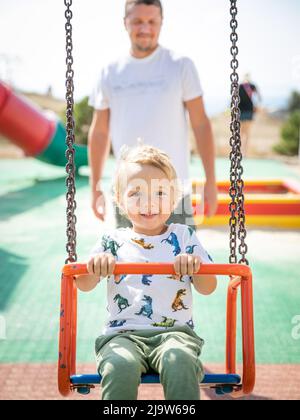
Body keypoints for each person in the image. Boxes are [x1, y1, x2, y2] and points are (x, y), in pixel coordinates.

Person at [75, 144, 217, 400]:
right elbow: (82, 284)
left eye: (160, 192)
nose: (148, 202)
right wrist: (96, 267)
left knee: (180, 362)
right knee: (120, 365)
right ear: (119, 199)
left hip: (175, 334)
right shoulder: (112, 240)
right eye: (136, 193)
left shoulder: (184, 237)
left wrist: (195, 266)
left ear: (174, 199)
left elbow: (209, 287)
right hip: (122, 335)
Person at [88, 0, 218, 230]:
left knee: (183, 262)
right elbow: (99, 132)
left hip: (173, 190)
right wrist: (95, 187)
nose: (145, 28)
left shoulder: (180, 66)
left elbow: (200, 124)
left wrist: (211, 181)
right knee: (128, 263)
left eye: (152, 21)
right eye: (138, 21)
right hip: (129, 191)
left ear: (161, 23)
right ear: (125, 23)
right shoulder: (109, 72)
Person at [238, 74, 262, 157]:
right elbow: (259, 97)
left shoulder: (239, 86)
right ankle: (245, 153)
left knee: (240, 133)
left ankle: (239, 151)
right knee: (247, 133)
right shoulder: (252, 86)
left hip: (240, 111)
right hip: (249, 111)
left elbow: (234, 98)